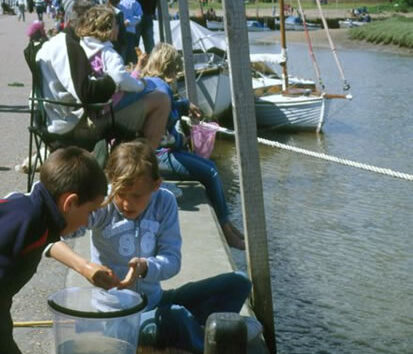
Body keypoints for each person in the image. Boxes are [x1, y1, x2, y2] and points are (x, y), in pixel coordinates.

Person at [51, 140, 254, 353]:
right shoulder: (104, 204)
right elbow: (58, 235)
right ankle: (211, 341)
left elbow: (172, 260)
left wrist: (146, 267)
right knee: (176, 317)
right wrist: (86, 267)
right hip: (118, 319)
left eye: (136, 196)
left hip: (155, 301)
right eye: (121, 195)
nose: (127, 204)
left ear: (156, 185)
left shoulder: (165, 202)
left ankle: (194, 332)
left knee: (239, 283)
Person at [0, 147, 121, 354]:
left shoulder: (33, 212)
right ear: (70, 203)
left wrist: (85, 267)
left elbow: (48, 241)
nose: (86, 221)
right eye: (90, 211)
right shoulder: (27, 224)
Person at [140, 42, 246, 250]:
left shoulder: (150, 83)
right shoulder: (162, 89)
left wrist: (184, 104)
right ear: (170, 66)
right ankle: (226, 231)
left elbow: (168, 112)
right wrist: (182, 140)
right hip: (159, 156)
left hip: (158, 153)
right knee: (211, 173)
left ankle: (226, 223)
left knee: (211, 168)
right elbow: (161, 135)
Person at [36, 0, 170, 151]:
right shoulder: (69, 47)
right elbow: (86, 92)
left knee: (150, 87)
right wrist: (114, 82)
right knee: (161, 99)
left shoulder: (53, 45)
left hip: (58, 119)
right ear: (83, 21)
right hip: (76, 126)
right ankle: (146, 160)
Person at [118, 0, 142, 64]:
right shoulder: (115, 2)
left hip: (129, 32)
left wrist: (129, 22)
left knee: (129, 55)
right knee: (120, 54)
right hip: (117, 33)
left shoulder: (133, 2)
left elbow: (139, 17)